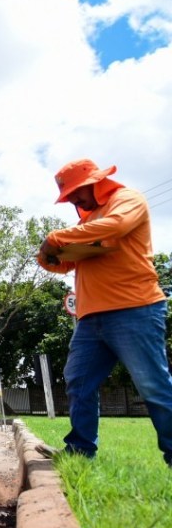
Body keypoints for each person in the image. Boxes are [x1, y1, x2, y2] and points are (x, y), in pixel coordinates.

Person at [37, 159, 172, 467]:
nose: (72, 199)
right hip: (90, 318)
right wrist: (47, 256)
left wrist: (59, 238)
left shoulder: (126, 200)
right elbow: (68, 264)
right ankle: (79, 452)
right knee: (77, 381)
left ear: (95, 181)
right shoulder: (88, 222)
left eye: (75, 192)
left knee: (153, 385)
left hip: (134, 309)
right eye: (68, 195)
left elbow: (118, 225)